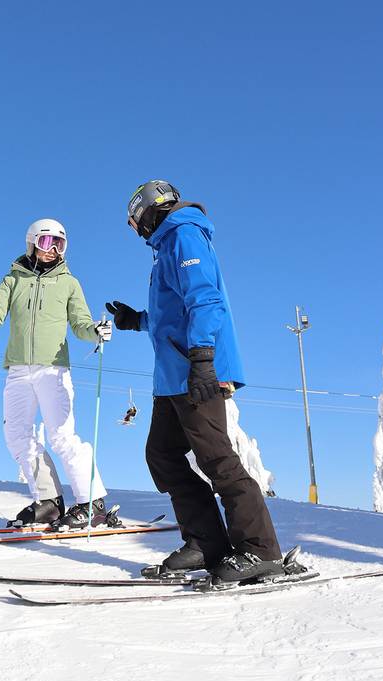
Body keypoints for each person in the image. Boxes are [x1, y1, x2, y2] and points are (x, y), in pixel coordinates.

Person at [107, 180, 283, 583]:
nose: (135, 230)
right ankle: (206, 542)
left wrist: (203, 357)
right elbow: (172, 315)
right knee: (163, 456)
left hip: (195, 370)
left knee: (216, 458)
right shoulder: (167, 246)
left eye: (133, 222)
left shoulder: (184, 234)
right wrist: (137, 320)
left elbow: (205, 300)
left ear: (146, 212)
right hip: (172, 377)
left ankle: (260, 551)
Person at [0, 218, 112, 529]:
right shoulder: (12, 280)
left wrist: (95, 331)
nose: (52, 249)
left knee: (62, 435)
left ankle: (92, 503)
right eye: (46, 242)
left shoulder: (69, 283)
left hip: (53, 368)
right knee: (16, 435)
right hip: (18, 368)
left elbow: (80, 323)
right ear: (31, 243)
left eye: (59, 244)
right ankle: (49, 502)